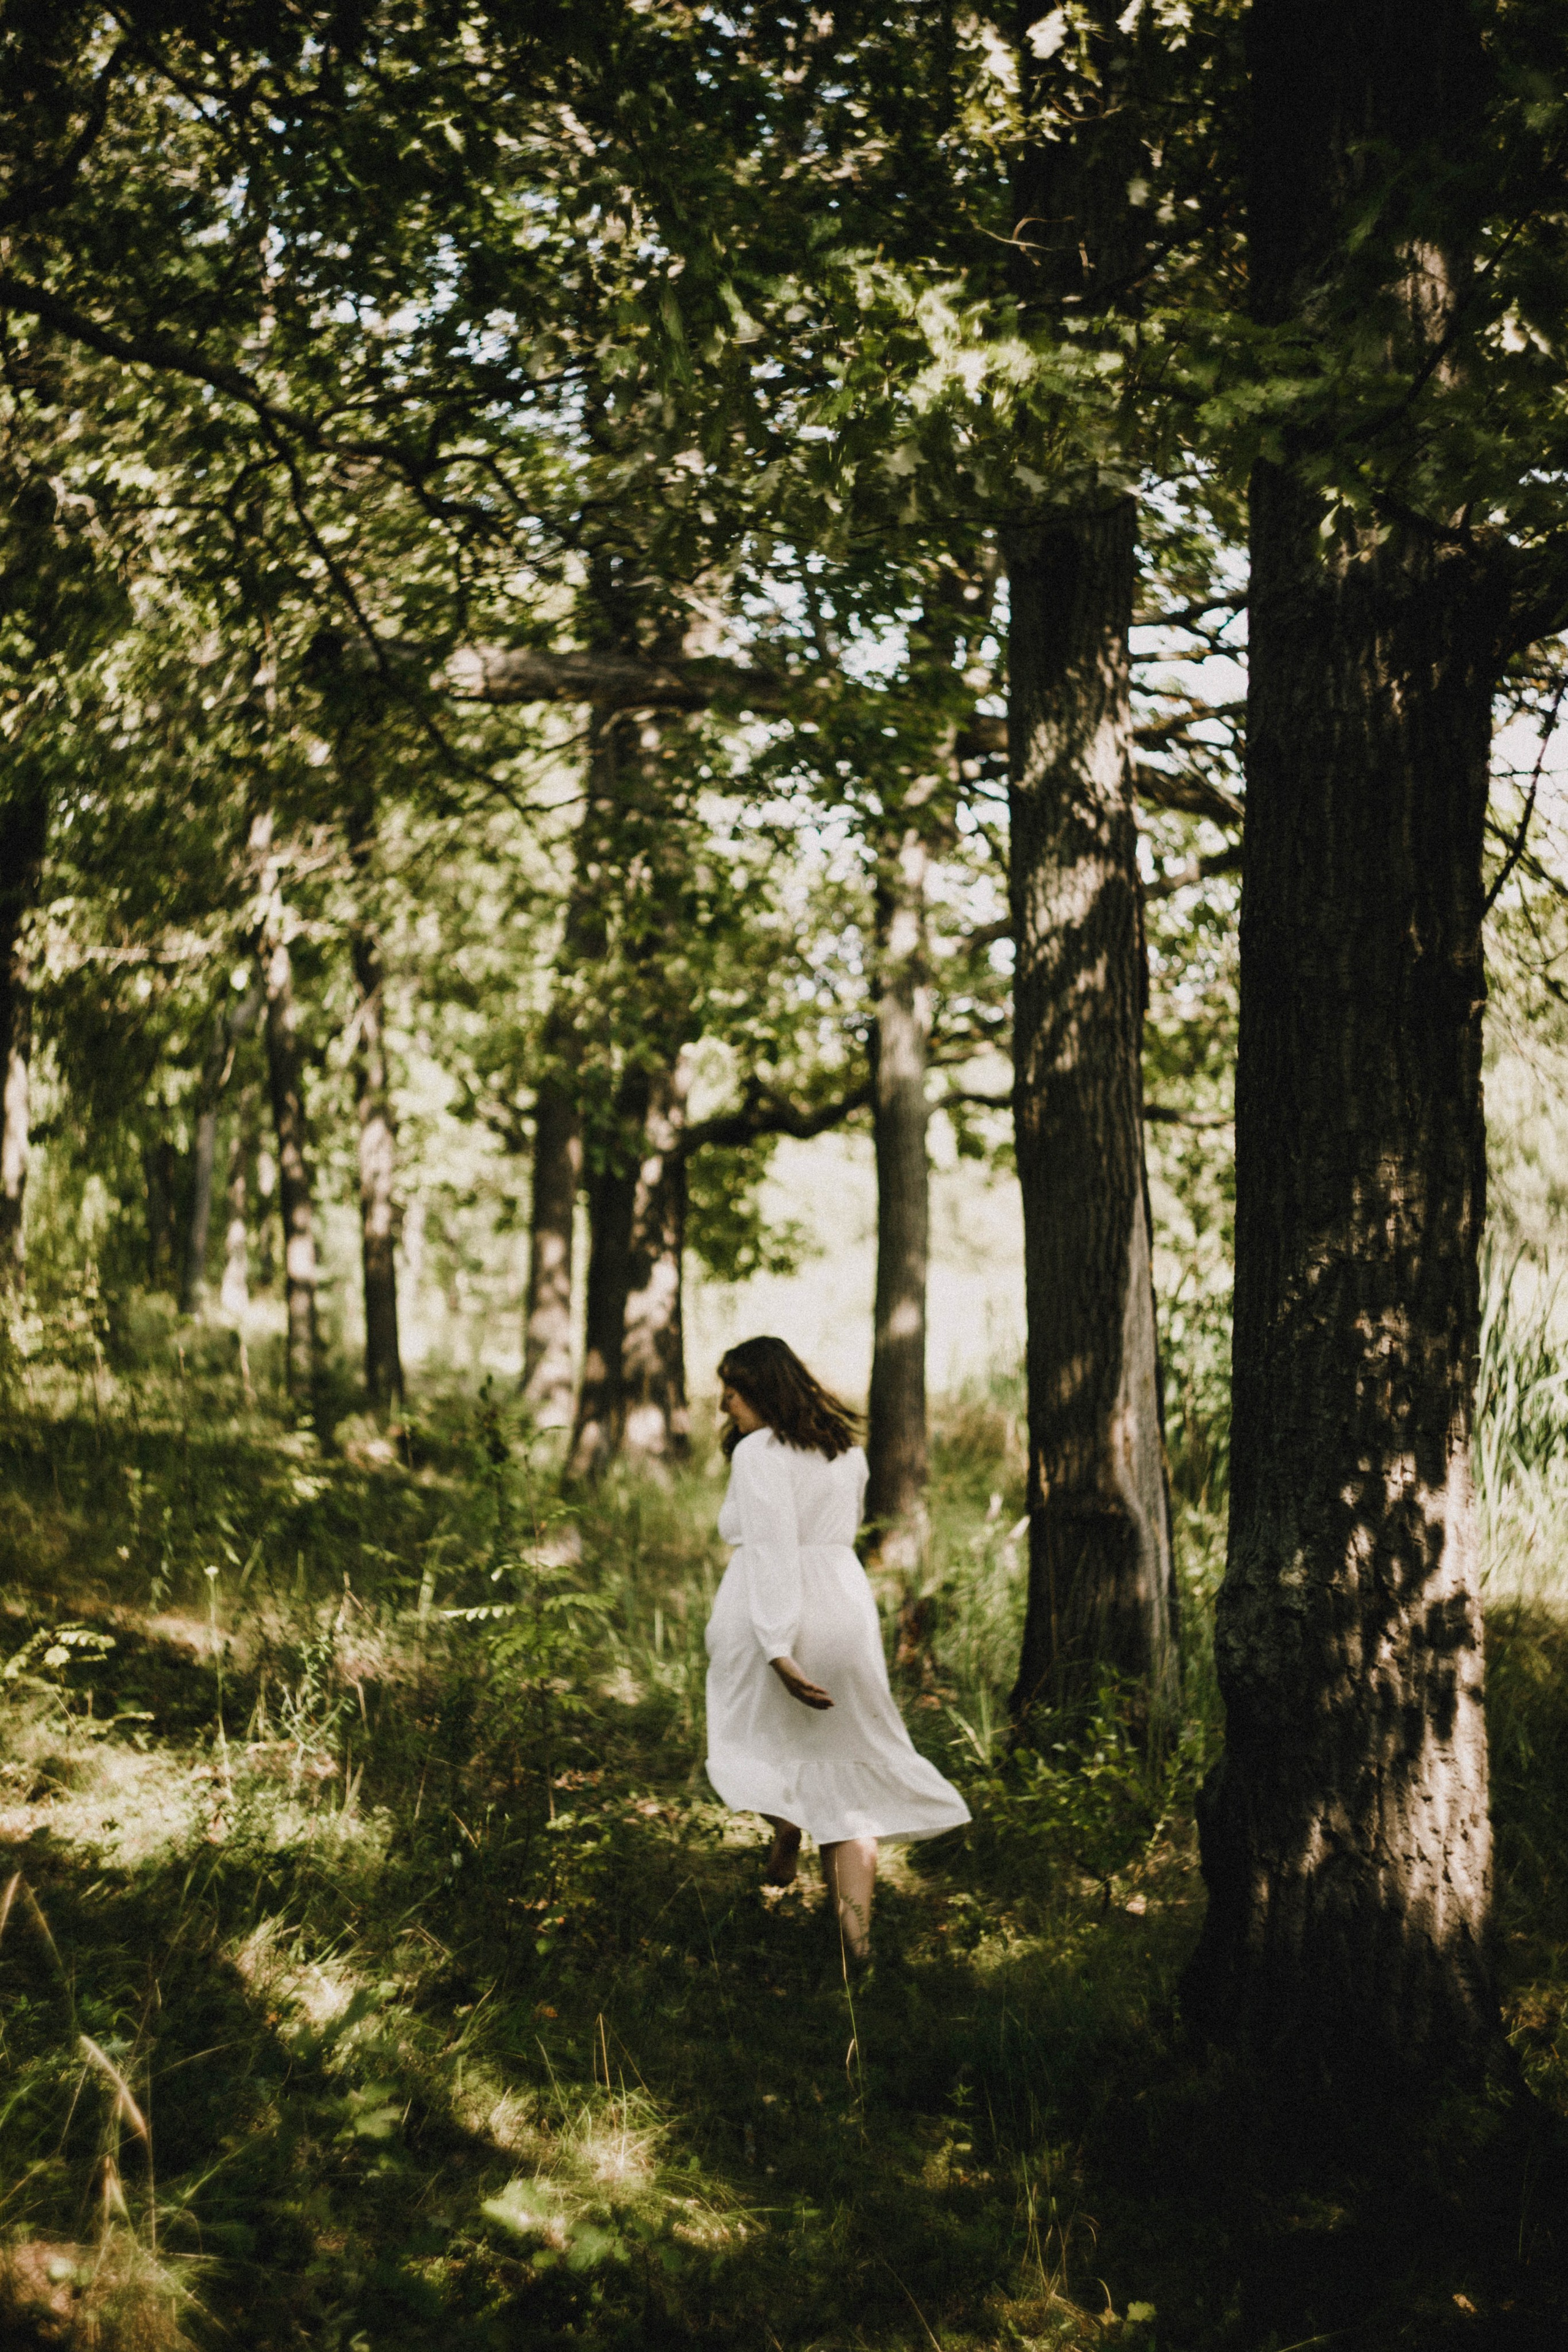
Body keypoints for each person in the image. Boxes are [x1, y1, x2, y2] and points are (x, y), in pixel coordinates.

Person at [704, 1335, 971, 1963]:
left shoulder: (758, 1453)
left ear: (763, 1391)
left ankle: (787, 1827)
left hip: (772, 1612)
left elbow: (771, 1551)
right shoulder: (846, 1452)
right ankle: (858, 1950)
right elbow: (830, 1539)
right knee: (847, 1764)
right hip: (844, 1609)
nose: (723, 1405)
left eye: (733, 1391)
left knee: (745, 1744)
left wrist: (776, 1648)